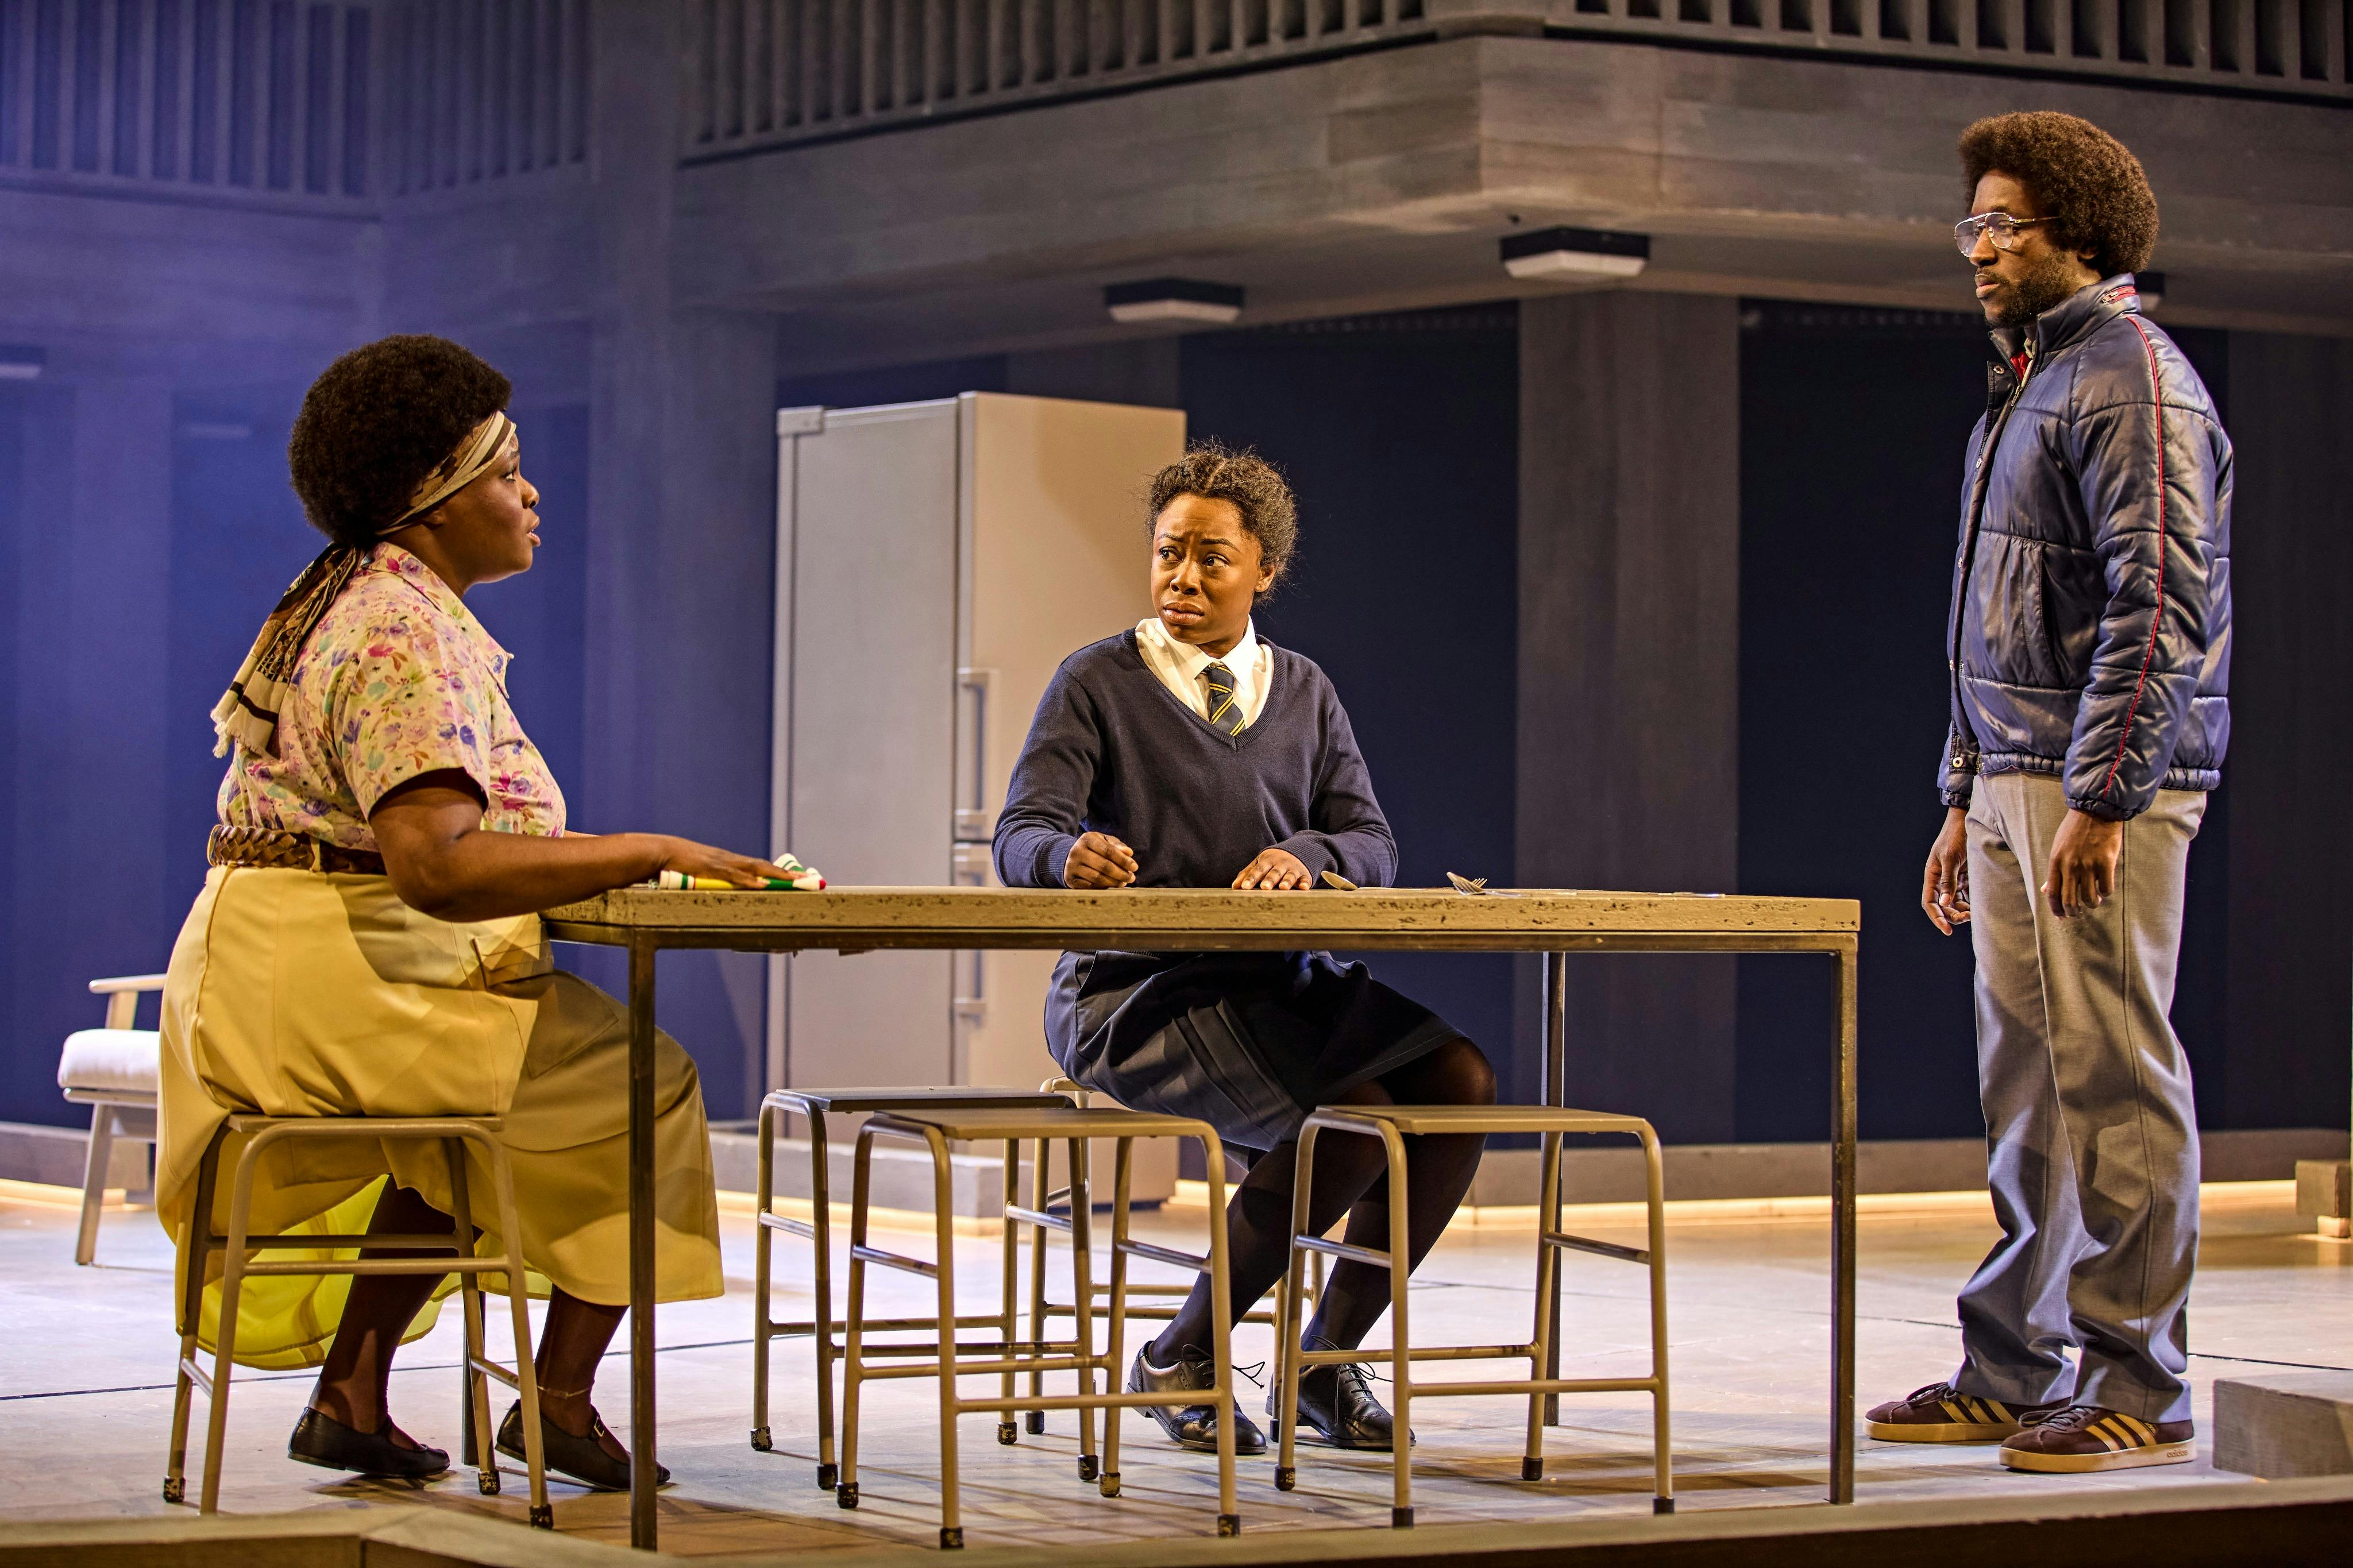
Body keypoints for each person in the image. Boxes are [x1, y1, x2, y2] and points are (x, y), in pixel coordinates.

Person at [159, 334, 782, 1492]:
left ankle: (350, 1395)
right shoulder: (402, 630)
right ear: (436, 500)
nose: (531, 494)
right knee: (645, 1086)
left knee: (463, 1120)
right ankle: (557, 1404)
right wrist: (650, 850)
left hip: (286, 965)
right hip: (339, 982)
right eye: (507, 472)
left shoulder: (355, 597)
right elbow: (436, 868)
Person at [992, 443, 1496, 1456]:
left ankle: (1323, 1363)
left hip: (1278, 983)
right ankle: (1180, 1352)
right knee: (1354, 1121)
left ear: (1265, 569)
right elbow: (1019, 833)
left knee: (1459, 1079)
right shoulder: (1097, 681)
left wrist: (1308, 854)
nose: (1182, 578)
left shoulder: (1302, 688)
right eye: (1167, 553)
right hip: (1138, 991)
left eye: (1211, 559)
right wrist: (1063, 854)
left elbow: (1371, 841)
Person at [1868, 113, 2231, 1473]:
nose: (1978, 248)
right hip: (2016, 778)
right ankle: (2012, 1367)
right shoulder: (2029, 382)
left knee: (2112, 1075)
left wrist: (2103, 791)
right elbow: (1998, 621)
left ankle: (2137, 1383)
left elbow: (2159, 601)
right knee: (2026, 1084)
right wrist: (1962, 789)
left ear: (2077, 233)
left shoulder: (2131, 378)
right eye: (1970, 224)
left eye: (2003, 225)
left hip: (2098, 787)